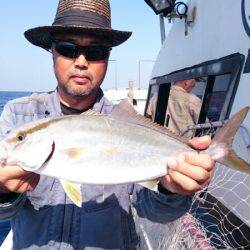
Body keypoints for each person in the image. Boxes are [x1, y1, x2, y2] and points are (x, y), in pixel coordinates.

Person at [0, 1, 215, 249]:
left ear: (108, 58)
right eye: (68, 49)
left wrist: (171, 190)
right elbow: (4, 214)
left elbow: (154, 212)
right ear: (52, 51)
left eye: (96, 52)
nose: (81, 61)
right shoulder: (19, 114)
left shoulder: (124, 122)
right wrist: (4, 192)